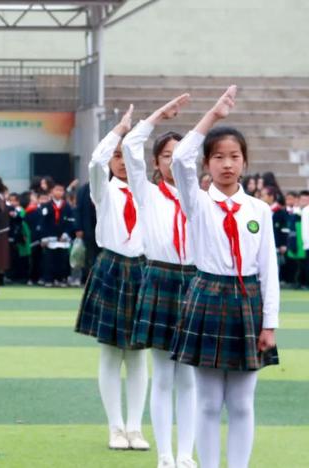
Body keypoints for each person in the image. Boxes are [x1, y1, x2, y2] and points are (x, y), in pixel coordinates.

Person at [170, 86, 279, 468]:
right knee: (208, 401)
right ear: (207, 164)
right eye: (218, 157)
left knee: (243, 402)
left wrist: (271, 324)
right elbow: (180, 158)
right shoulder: (196, 202)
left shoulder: (259, 211)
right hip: (208, 296)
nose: (227, 164)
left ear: (245, 163)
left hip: (248, 301)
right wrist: (213, 115)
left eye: (234, 157)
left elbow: (269, 270)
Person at [122, 95, 197, 468]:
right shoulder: (147, 193)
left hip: (196, 283)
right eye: (167, 156)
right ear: (156, 162)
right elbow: (130, 146)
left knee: (190, 378)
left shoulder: (200, 197)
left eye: (181, 155)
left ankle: (186, 453)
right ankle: (165, 454)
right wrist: (159, 116)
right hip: (162, 278)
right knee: (164, 374)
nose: (174, 162)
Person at [74, 105, 150, 451]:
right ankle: (115, 427)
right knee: (110, 353)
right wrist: (118, 131)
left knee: (137, 355)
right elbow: (94, 162)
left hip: (143, 269)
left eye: (126, 155)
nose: (120, 161)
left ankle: (135, 427)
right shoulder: (103, 190)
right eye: (117, 156)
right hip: (111, 267)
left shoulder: (149, 193)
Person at [40, 182, 74, 287]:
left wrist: (66, 234)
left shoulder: (67, 206)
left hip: (63, 238)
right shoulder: (46, 206)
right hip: (50, 237)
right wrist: (43, 237)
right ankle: (48, 279)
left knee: (63, 259)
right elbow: (43, 222)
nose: (59, 192)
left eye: (61, 190)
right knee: (49, 259)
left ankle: (61, 279)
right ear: (51, 191)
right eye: (57, 190)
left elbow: (70, 221)